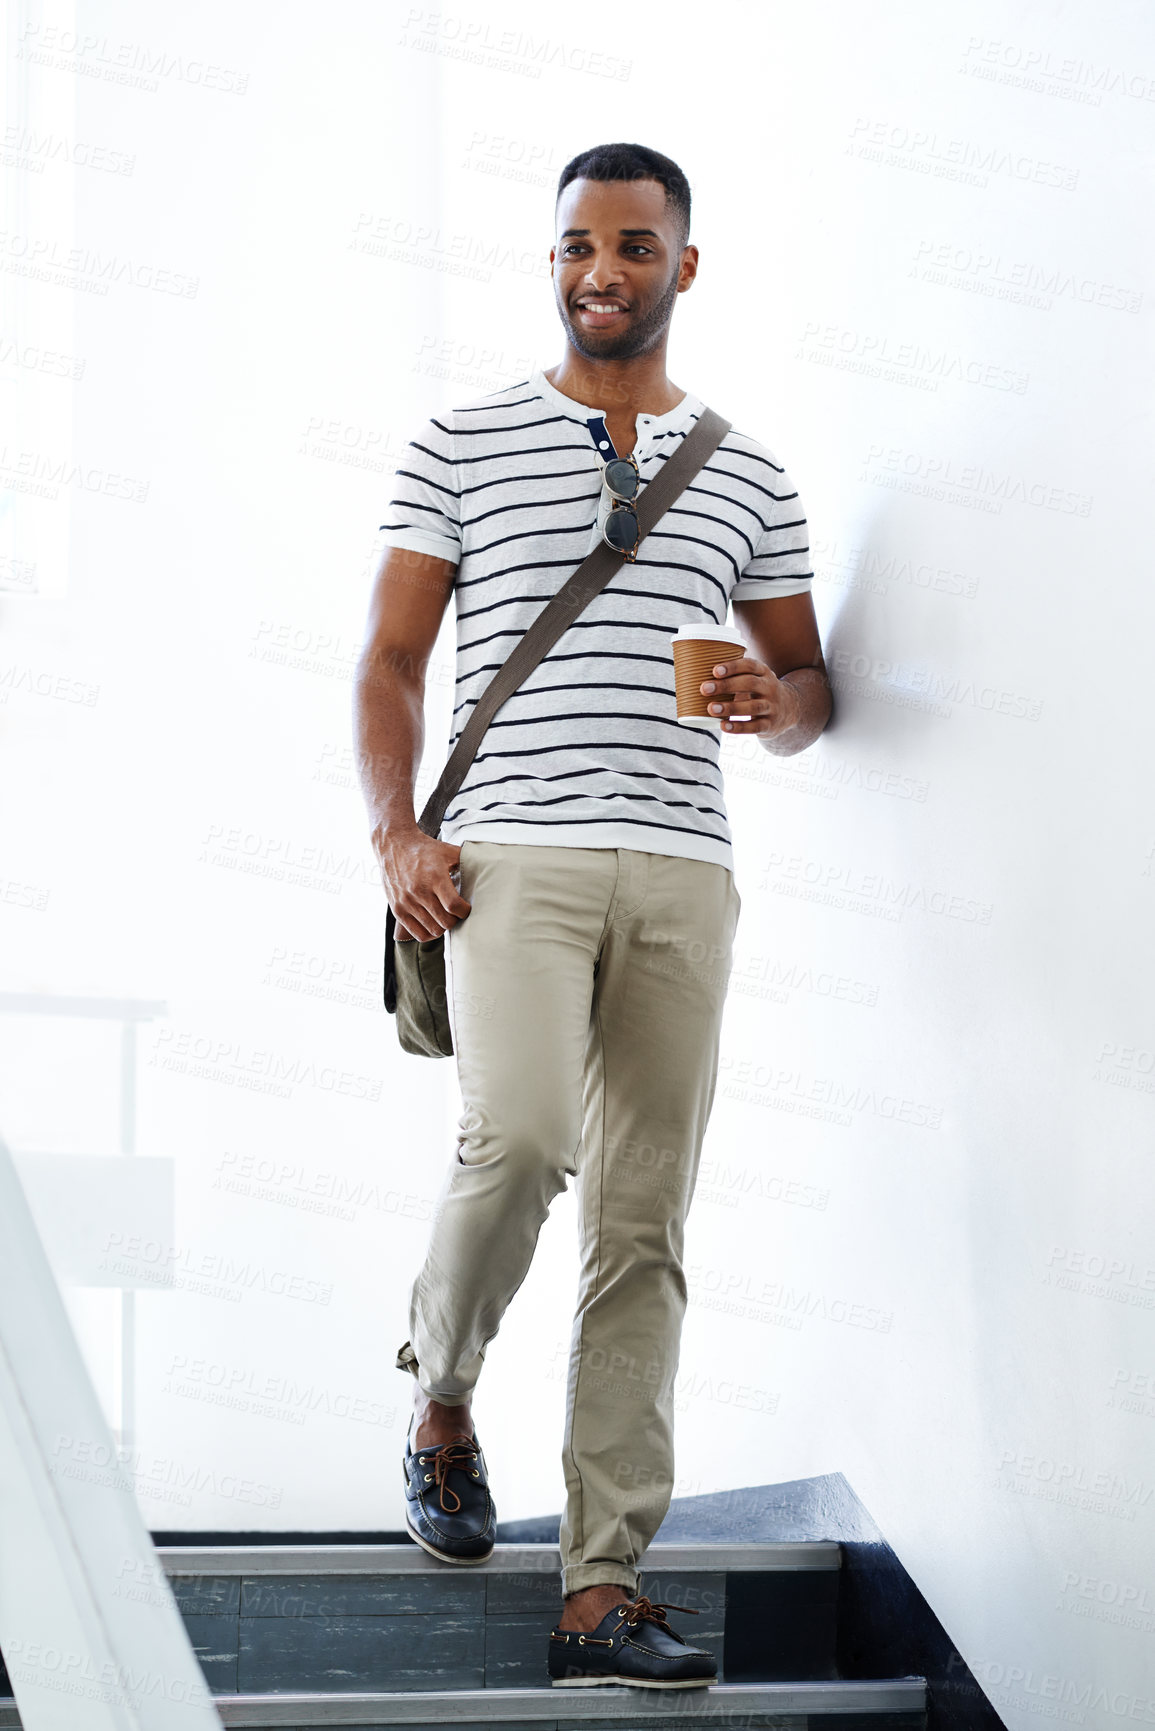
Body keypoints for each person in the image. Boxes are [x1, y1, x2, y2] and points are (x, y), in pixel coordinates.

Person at [353, 140, 832, 1690]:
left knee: (646, 1221)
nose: (602, 269)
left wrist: (779, 705)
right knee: (526, 1142)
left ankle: (600, 1590)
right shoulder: (464, 440)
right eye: (577, 244)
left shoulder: (750, 471)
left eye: (635, 244)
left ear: (684, 267)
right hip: (512, 855)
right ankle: (441, 1391)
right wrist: (393, 826)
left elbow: (807, 681)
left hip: (685, 866)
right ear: (551, 261)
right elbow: (388, 664)